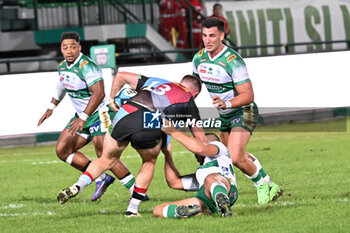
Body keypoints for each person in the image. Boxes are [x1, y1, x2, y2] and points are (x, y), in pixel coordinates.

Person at [56, 71, 207, 217]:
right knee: (149, 161)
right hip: (150, 118)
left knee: (106, 159)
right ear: (195, 94)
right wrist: (205, 161)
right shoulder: (189, 100)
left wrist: (112, 98)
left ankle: (77, 186)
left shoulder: (156, 81)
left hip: (125, 113)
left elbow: (121, 76)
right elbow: (200, 140)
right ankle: (132, 210)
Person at [38, 32, 141, 202]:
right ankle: (101, 179)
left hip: (99, 114)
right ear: (61, 50)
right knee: (62, 151)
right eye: (65, 47)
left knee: (105, 155)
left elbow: (99, 93)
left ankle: (136, 192)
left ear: (79, 47)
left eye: (72, 46)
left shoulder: (87, 66)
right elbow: (62, 85)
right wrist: (51, 107)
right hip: (81, 116)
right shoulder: (63, 66)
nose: (69, 50)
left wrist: (84, 117)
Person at [192, 18, 283, 205]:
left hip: (244, 111)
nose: (207, 40)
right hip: (224, 115)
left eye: (212, 36)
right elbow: (195, 84)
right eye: (204, 35)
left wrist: (226, 104)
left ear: (222, 36)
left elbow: (248, 95)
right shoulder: (198, 58)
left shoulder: (233, 61)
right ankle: (269, 184)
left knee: (234, 155)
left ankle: (261, 185)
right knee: (233, 156)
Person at [154, 126, 238, 218]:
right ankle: (187, 212)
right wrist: (167, 154)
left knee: (210, 178)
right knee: (158, 210)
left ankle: (222, 200)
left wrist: (173, 131)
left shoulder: (220, 150)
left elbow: (201, 149)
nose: (195, 155)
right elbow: (174, 182)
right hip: (206, 199)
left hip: (228, 189)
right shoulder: (201, 173)